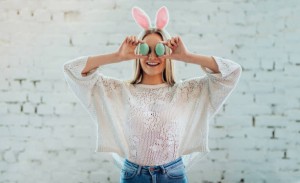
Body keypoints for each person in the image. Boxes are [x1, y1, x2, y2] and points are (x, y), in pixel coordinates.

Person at [62, 6, 242, 183]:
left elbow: (232, 72)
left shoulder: (187, 92)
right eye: (145, 50)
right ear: (137, 54)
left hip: (174, 175)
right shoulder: (118, 92)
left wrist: (187, 56)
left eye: (159, 50)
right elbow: (72, 70)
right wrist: (118, 56)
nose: (152, 57)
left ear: (169, 54)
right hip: (133, 176)